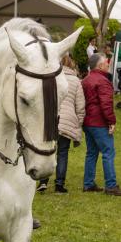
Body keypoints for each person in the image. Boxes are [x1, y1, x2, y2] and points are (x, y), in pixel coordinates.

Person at [82, 52, 121, 196]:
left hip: (88, 122)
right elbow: (106, 104)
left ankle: (88, 184)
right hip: (99, 122)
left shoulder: (86, 80)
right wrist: (111, 121)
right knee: (108, 152)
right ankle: (111, 186)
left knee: (91, 153)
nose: (108, 64)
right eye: (106, 62)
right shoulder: (103, 81)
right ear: (100, 65)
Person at [37, 55, 85, 194]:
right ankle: (59, 184)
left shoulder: (51, 77)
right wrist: (78, 122)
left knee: (48, 150)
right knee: (62, 153)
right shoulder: (76, 81)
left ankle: (43, 181)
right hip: (68, 120)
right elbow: (80, 105)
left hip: (51, 119)